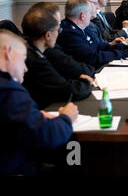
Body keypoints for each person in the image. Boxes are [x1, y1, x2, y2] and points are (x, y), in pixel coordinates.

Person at [0, 29, 78, 175]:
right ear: (8, 52)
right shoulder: (8, 90)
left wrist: (34, 116)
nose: (25, 67)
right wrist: (66, 117)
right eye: (23, 59)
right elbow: (48, 135)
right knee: (76, 153)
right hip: (15, 168)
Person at [21, 7, 92, 109]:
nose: (59, 33)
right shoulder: (35, 60)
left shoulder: (32, 49)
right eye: (58, 30)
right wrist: (86, 82)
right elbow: (68, 91)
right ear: (48, 35)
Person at [57, 0, 128, 69]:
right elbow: (94, 58)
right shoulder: (69, 33)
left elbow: (99, 46)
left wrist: (124, 45)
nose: (92, 16)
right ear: (82, 16)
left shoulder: (81, 28)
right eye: (90, 13)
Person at [29, 2, 95, 79]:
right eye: (57, 22)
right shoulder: (47, 50)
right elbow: (64, 86)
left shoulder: (47, 46)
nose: (60, 25)